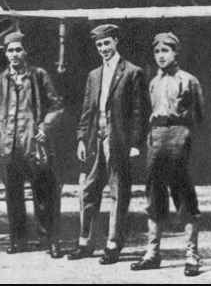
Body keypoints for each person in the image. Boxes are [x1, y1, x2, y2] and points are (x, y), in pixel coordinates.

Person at [68, 24, 149, 264]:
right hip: (95, 139)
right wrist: (81, 138)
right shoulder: (94, 75)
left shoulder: (132, 72)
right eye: (99, 45)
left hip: (119, 141)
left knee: (118, 192)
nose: (103, 48)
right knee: (88, 190)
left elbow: (138, 112)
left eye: (106, 43)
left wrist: (135, 143)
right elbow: (86, 111)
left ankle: (113, 245)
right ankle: (85, 243)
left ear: (116, 41)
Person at [131, 32, 204, 277]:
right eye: (157, 52)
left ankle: (191, 255)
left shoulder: (189, 80)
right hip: (156, 141)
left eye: (166, 51)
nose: (161, 56)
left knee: (184, 196)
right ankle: (153, 253)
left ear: (175, 52)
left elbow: (200, 118)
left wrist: (187, 140)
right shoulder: (153, 83)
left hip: (179, 140)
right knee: (153, 196)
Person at [0, 31, 65, 258]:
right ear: (5, 54)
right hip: (9, 146)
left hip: (33, 145)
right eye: (10, 51)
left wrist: (44, 127)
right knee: (13, 196)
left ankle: (51, 240)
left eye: (17, 50)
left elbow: (57, 105)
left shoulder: (38, 75)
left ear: (25, 52)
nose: (14, 54)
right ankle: (18, 240)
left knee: (45, 194)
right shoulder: (1, 79)